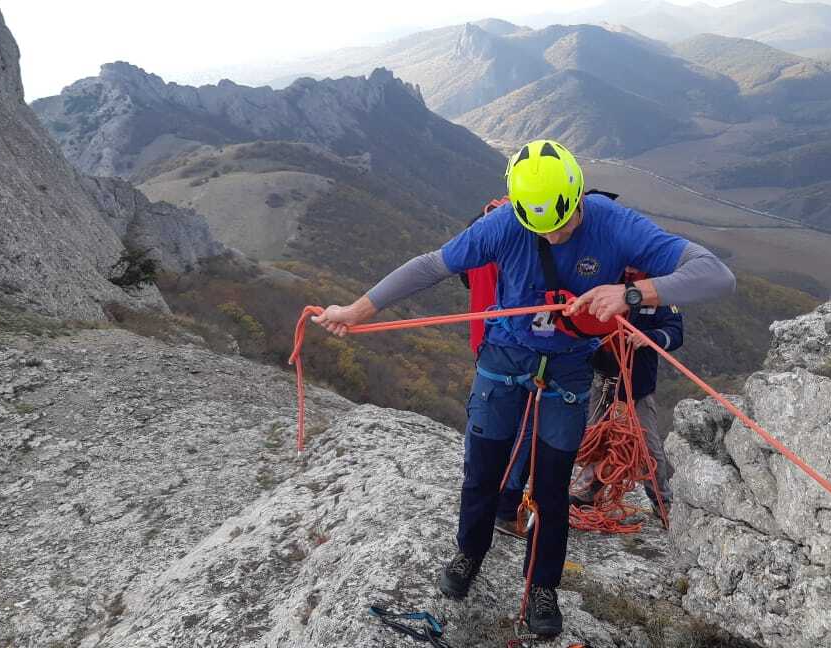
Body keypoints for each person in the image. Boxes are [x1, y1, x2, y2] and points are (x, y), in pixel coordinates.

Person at [311, 139, 735, 637]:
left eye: (563, 223)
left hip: (569, 368)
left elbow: (716, 275)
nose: (554, 236)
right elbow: (432, 265)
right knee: (483, 469)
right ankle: (470, 553)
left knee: (552, 484)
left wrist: (632, 293)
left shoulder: (613, 222)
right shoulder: (507, 223)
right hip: (503, 358)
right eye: (543, 227)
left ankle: (541, 585)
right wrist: (357, 311)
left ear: (578, 197)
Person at [571, 295, 684, 519]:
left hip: (637, 388)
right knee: (596, 440)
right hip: (604, 383)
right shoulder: (608, 285)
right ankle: (589, 491)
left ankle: (662, 500)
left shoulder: (656, 293)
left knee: (648, 448)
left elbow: (675, 332)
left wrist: (650, 338)